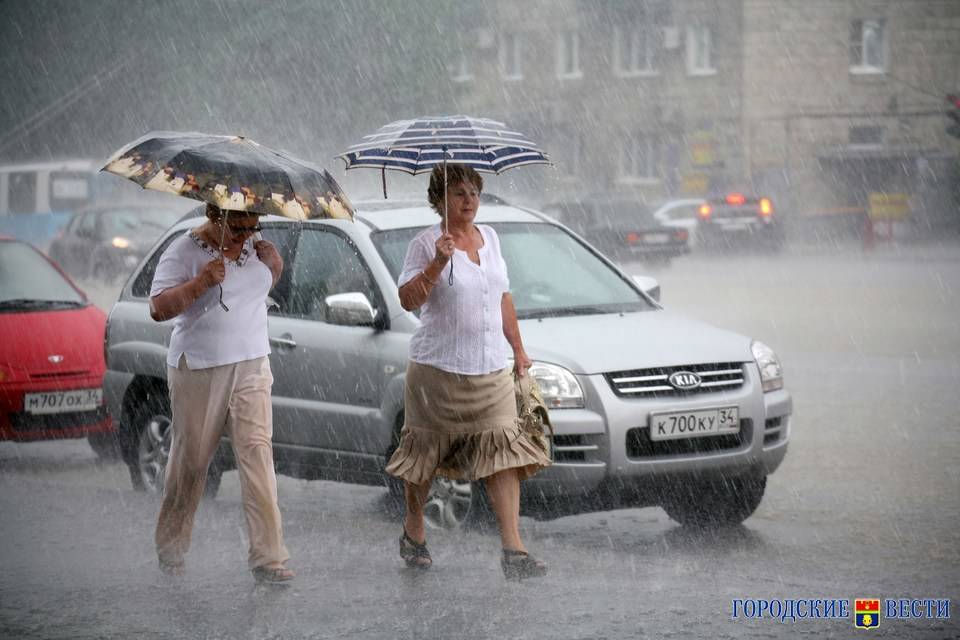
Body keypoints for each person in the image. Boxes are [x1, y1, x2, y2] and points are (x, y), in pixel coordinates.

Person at [385, 164, 551, 579]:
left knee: (504, 454)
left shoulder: (490, 239)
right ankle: (414, 529)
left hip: (490, 368)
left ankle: (513, 550)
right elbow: (407, 299)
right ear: (439, 200)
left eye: (474, 192)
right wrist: (437, 264)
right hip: (437, 371)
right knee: (424, 454)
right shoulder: (425, 244)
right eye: (459, 193)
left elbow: (503, 297)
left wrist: (519, 349)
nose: (470, 201)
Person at [148, 202, 294, 584]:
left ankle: (268, 556)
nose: (246, 235)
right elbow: (158, 308)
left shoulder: (255, 244)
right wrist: (200, 283)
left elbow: (253, 292)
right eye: (238, 227)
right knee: (192, 462)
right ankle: (172, 548)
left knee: (258, 455)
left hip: (252, 362)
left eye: (252, 226)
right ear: (216, 217)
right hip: (199, 366)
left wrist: (274, 268)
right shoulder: (183, 250)